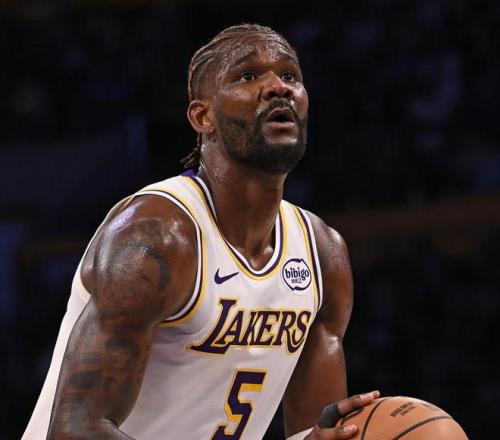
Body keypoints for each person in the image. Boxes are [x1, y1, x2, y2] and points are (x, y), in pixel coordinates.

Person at [23, 24, 379, 440]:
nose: (278, 87)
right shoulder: (155, 237)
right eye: (248, 76)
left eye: (290, 76)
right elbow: (75, 430)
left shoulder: (323, 255)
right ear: (202, 116)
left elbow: (312, 431)